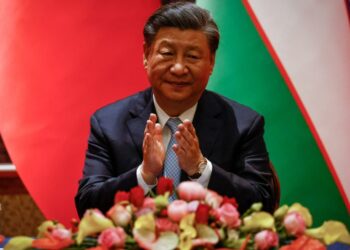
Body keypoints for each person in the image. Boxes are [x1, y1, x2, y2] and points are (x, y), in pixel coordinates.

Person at [75, 2, 276, 218]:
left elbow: (263, 202)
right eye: (167, 53)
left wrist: (201, 169)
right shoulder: (108, 123)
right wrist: (144, 174)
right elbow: (88, 205)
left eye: (192, 56)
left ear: (211, 62)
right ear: (146, 54)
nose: (179, 68)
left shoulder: (243, 124)